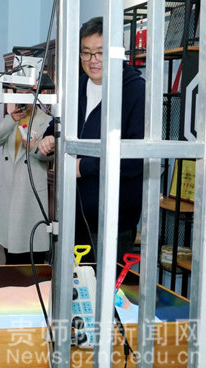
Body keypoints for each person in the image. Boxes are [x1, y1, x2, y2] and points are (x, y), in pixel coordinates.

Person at [38, 16, 145, 263]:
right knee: (69, 280)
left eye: (100, 52)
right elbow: (58, 126)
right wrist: (49, 138)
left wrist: (83, 167)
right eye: (86, 53)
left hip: (112, 219)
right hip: (71, 212)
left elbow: (136, 159)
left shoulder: (136, 92)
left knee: (104, 284)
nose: (93, 60)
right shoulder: (76, 87)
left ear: (118, 52)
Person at [0, 105, 52, 264]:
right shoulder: (11, 118)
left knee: (32, 244)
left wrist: (33, 147)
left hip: (30, 188)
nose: (22, 99)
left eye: (26, 93)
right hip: (9, 187)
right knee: (10, 243)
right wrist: (10, 119)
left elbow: (51, 155)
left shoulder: (47, 121)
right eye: (19, 93)